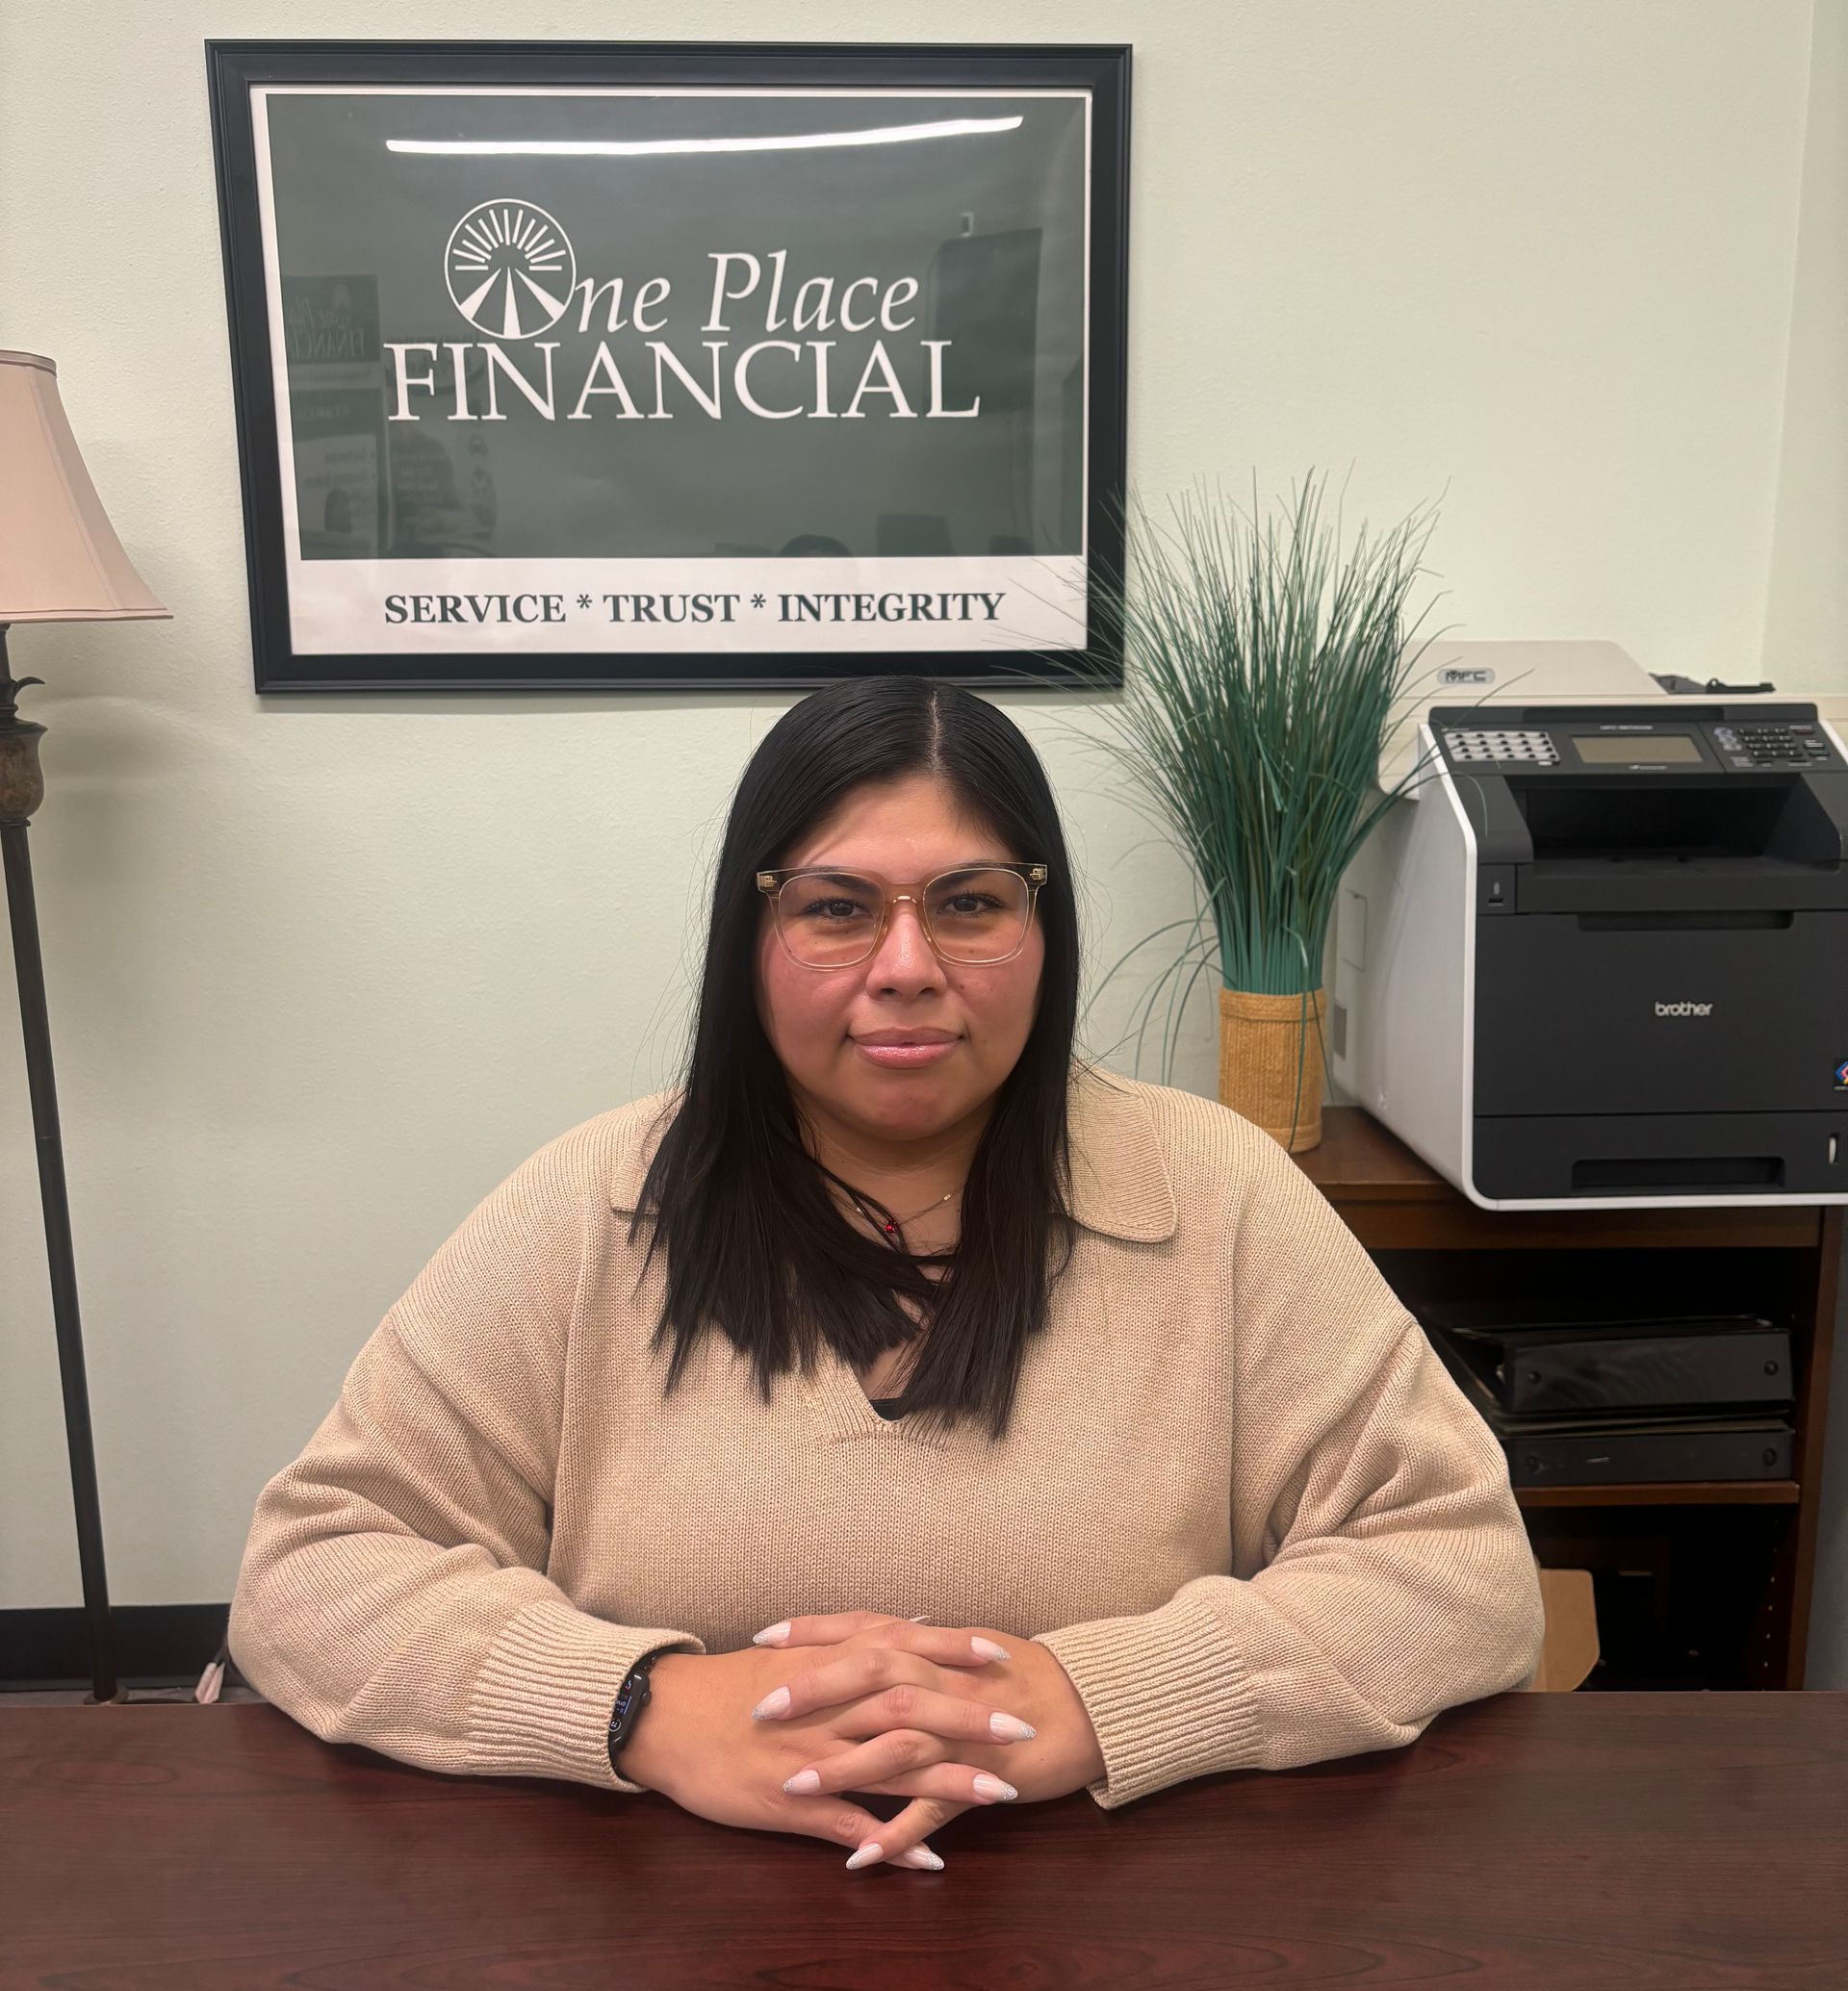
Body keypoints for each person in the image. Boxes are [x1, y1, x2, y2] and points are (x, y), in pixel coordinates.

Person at [227, 675, 1545, 1875]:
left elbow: (1458, 1566)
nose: (906, 968)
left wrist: (1111, 1695)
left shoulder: (1217, 1191)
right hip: (650, 1918)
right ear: (750, 937)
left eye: (969, 903)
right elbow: (313, 1567)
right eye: (836, 907)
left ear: (1045, 925)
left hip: (1126, 1912)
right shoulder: (595, 1203)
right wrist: (638, 1702)